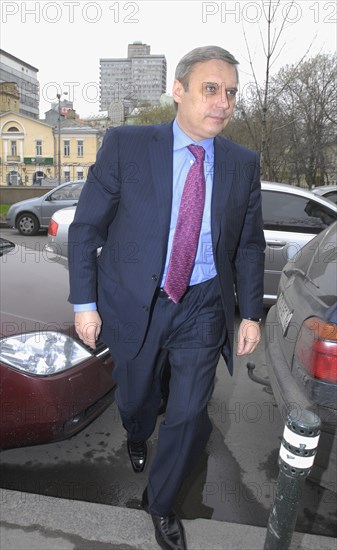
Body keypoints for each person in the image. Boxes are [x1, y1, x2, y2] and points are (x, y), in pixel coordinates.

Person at [68, 45, 265, 550]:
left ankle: (161, 504)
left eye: (231, 93)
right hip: (138, 301)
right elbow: (85, 227)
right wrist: (84, 303)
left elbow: (248, 242)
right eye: (211, 89)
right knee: (137, 398)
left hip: (202, 306)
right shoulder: (126, 146)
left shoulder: (243, 163)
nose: (223, 102)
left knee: (188, 413)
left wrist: (248, 314)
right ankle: (136, 431)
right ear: (178, 91)